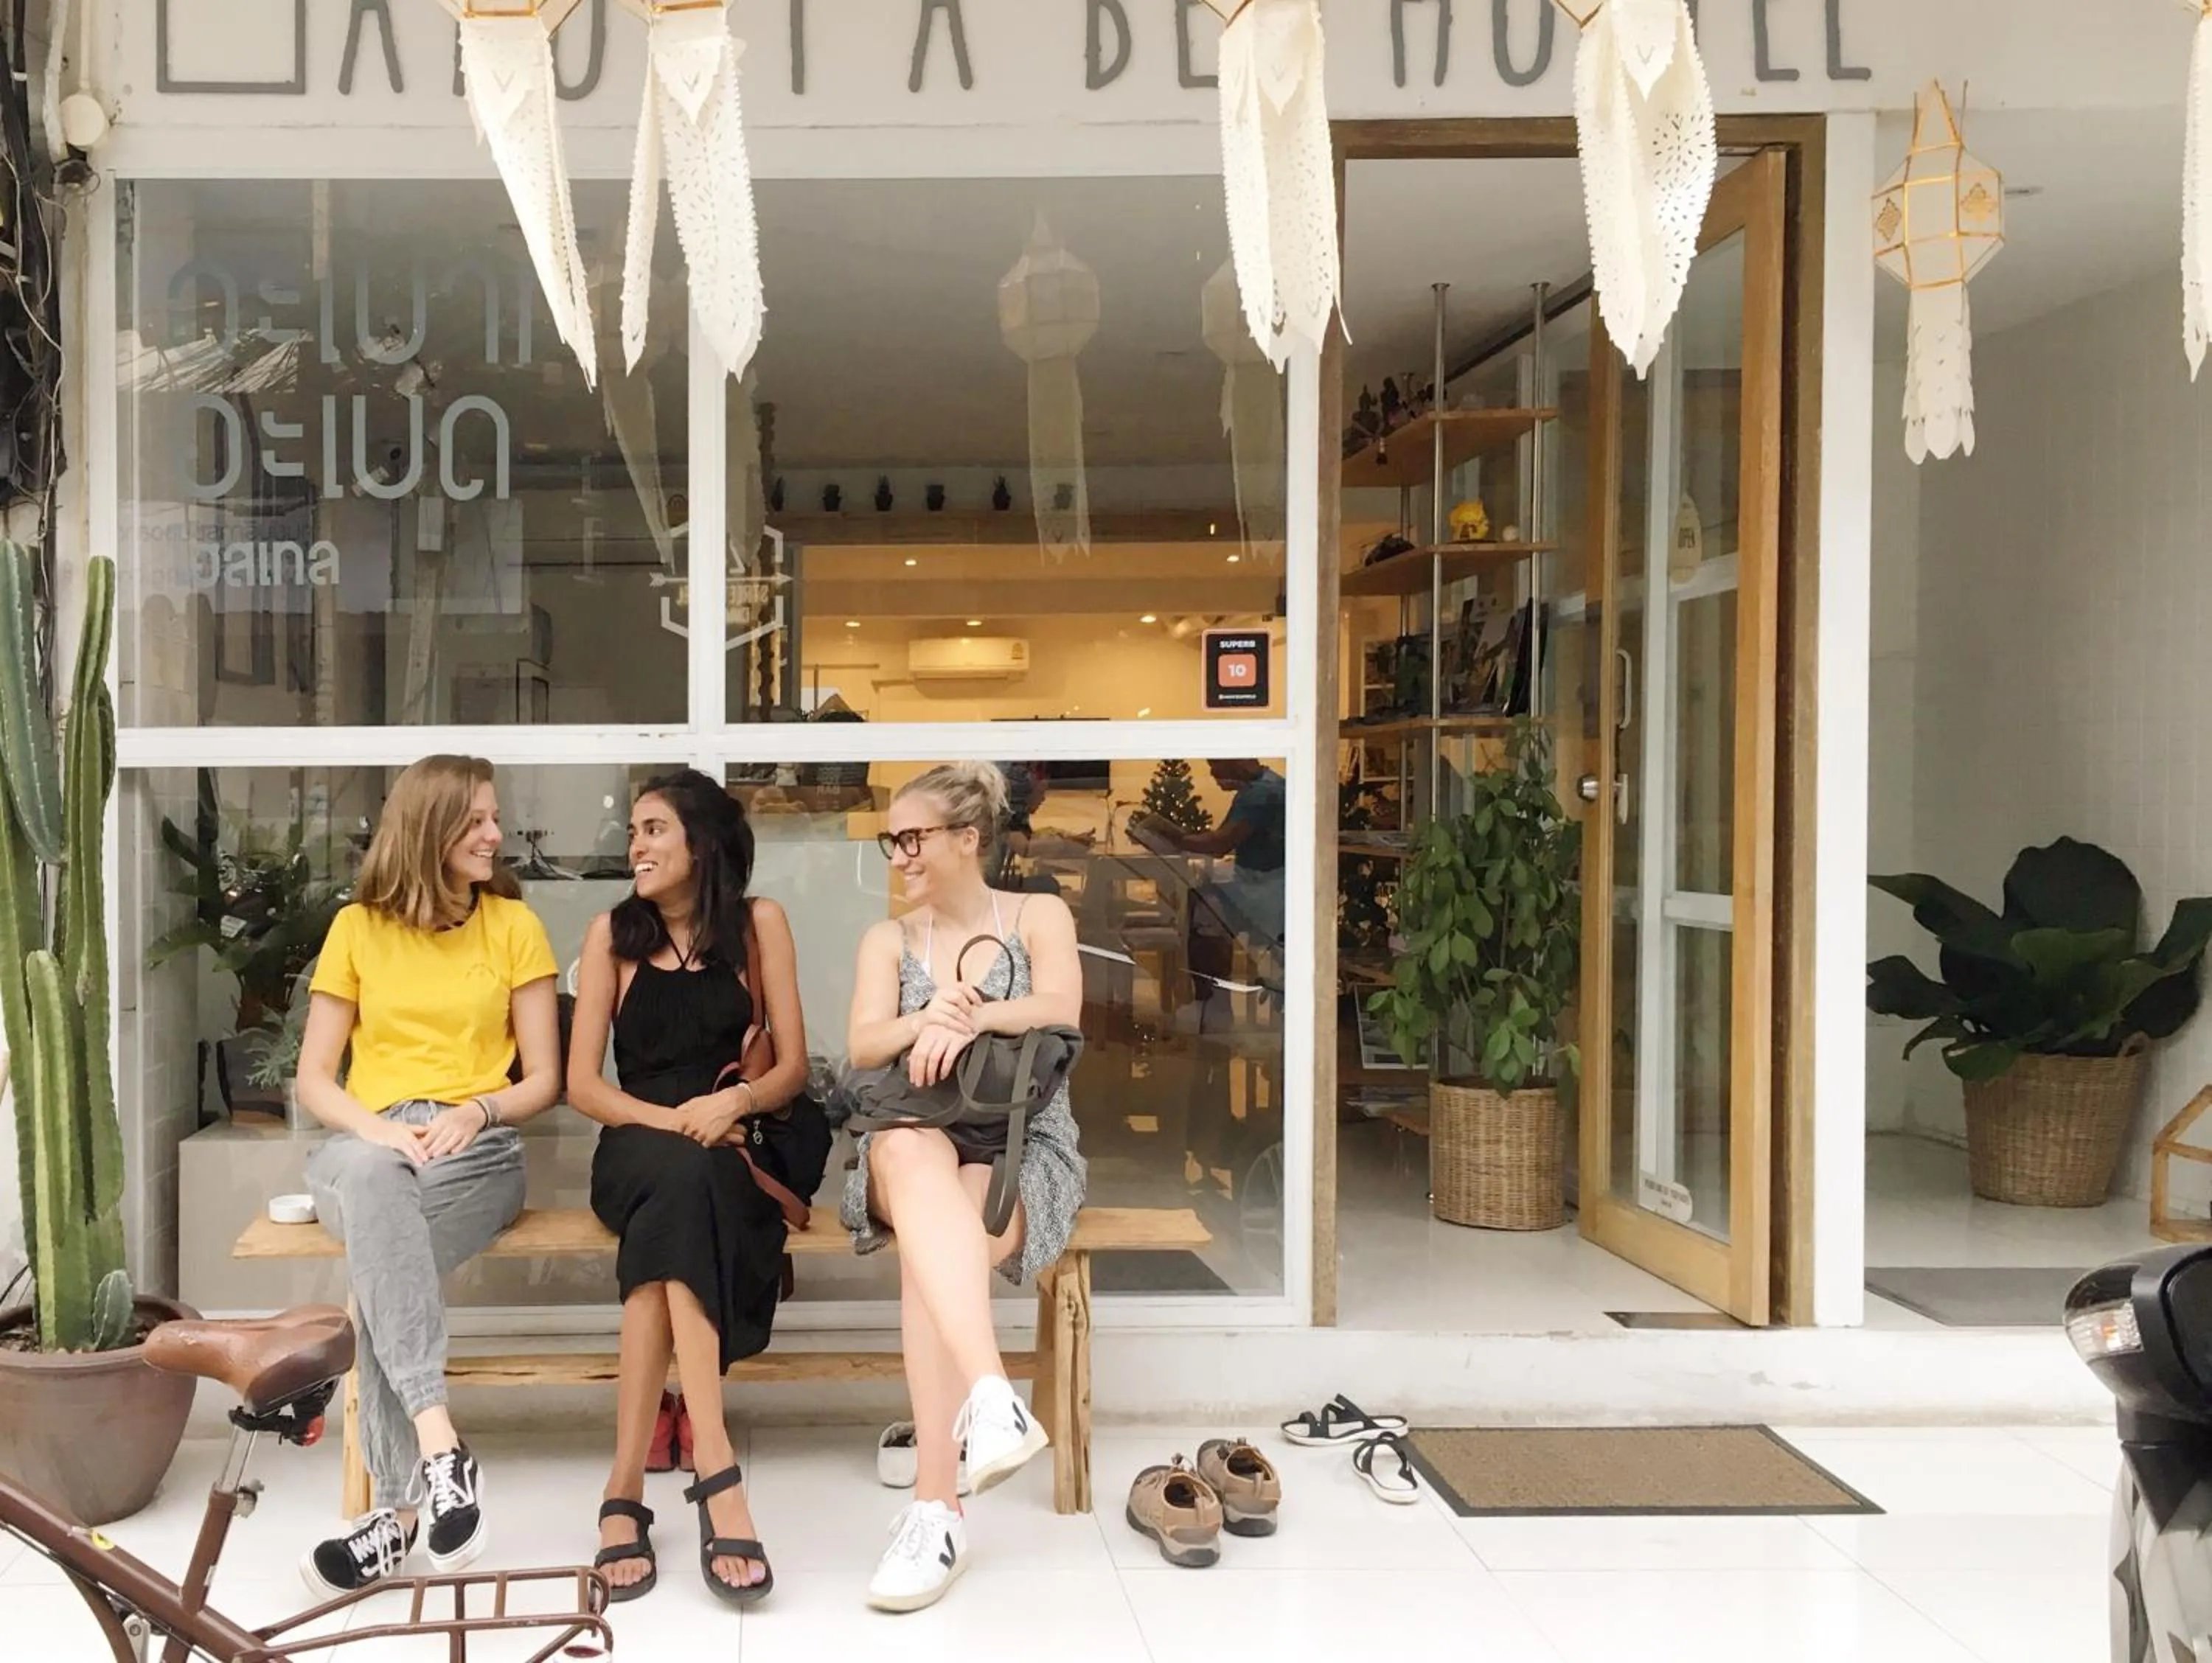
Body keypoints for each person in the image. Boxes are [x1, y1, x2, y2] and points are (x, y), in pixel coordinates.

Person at [294, 755, 562, 1596]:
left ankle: (396, 1515)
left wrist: (476, 1112)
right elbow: (314, 1080)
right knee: (379, 1197)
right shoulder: (357, 929)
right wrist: (379, 1131)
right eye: (476, 821)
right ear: (429, 828)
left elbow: (543, 1081)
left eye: (494, 818)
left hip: (475, 1150)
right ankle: (438, 1453)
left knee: (383, 1265)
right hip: (366, 1146)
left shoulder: (514, 927)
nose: (495, 835)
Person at [843, 761, 1087, 1613]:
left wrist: (975, 1013)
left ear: (968, 839)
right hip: (909, 1136)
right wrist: (928, 1016)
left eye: (913, 838)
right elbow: (864, 1045)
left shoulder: (1036, 916)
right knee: (916, 1167)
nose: (899, 855)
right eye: (893, 840)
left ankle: (936, 1510)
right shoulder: (890, 939)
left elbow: (1063, 1008)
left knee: (935, 1243)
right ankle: (991, 1396)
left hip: (1021, 1143)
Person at [566, 770, 807, 1607]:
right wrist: (675, 1122)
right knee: (677, 1180)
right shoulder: (611, 935)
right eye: (633, 830)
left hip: (732, 1147)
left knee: (668, 1235)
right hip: (637, 1143)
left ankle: (623, 1490)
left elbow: (793, 1068)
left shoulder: (759, 924)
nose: (636, 845)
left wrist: (733, 1103)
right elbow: (584, 1086)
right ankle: (718, 1471)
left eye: (654, 829)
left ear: (700, 844)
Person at [1131, 758, 1287, 1019]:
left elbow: (1219, 844)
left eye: (1215, 764)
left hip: (1264, 891)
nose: (1212, 772)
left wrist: (1173, 836)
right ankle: (1212, 1000)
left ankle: (1212, 1000)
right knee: (1205, 896)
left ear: (1235, 761)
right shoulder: (1271, 785)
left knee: (1204, 910)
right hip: (1271, 884)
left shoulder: (1260, 794)